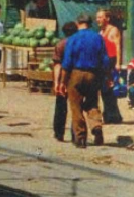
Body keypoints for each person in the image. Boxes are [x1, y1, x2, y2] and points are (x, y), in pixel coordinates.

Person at [62, 13, 108, 148]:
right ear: (90, 23)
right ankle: (96, 127)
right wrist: (105, 77)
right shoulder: (98, 38)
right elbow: (104, 60)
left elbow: (66, 63)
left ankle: (81, 138)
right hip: (93, 74)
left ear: (78, 23)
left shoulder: (73, 38)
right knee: (92, 103)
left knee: (76, 106)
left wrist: (62, 82)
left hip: (76, 74)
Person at [52, 22, 79, 142]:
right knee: (76, 107)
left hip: (63, 77)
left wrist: (56, 83)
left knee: (61, 106)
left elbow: (57, 65)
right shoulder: (79, 44)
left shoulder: (60, 44)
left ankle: (59, 133)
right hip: (77, 77)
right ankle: (76, 133)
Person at [95, 9, 124, 124]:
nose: (98, 20)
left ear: (107, 18)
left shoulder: (113, 30)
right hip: (103, 63)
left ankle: (113, 116)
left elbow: (118, 47)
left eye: (100, 17)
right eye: (97, 17)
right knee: (105, 90)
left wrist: (118, 63)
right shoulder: (100, 32)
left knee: (110, 89)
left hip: (111, 63)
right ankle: (110, 115)